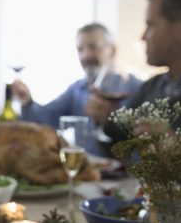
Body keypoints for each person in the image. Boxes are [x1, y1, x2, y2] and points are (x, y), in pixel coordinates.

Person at [99, 0, 181, 188]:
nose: (143, 36)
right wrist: (106, 118)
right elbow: (123, 144)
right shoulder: (152, 87)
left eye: (151, 25)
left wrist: (180, 152)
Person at [12, 23, 144, 157]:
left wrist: (109, 123)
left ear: (112, 50)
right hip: (87, 172)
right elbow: (47, 119)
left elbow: (146, 143)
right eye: (80, 49)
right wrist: (27, 101)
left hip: (125, 175)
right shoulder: (77, 90)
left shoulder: (138, 89)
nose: (86, 55)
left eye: (94, 47)